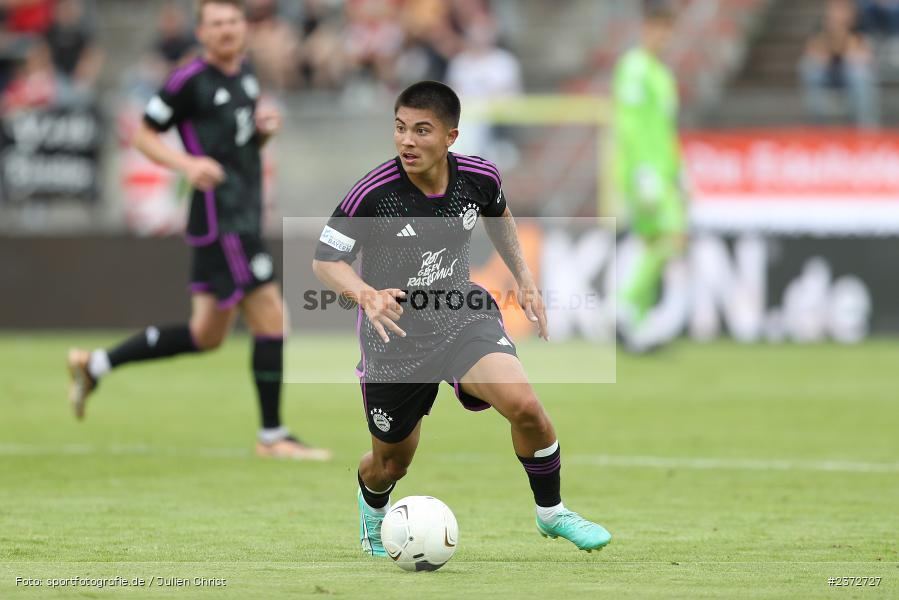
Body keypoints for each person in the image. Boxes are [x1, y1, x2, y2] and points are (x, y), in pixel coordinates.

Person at [312, 80, 612, 556]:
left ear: (451, 137)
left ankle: (552, 513)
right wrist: (366, 295)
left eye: (421, 130)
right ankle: (372, 514)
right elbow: (325, 260)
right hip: (396, 341)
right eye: (400, 128)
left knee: (527, 408)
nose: (407, 141)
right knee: (390, 465)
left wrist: (524, 276)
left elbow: (500, 215)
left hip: (460, 317)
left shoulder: (479, 177)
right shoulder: (374, 195)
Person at [66, 0, 330, 461]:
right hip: (220, 218)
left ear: (243, 28)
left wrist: (262, 133)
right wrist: (187, 164)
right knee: (272, 317)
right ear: (201, 32)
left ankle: (96, 364)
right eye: (216, 24)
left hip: (241, 213)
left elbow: (235, 143)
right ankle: (273, 437)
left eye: (233, 21)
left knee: (207, 335)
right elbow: (145, 135)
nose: (227, 30)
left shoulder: (245, 74)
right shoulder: (188, 81)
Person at [611, 3, 687, 349]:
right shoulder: (635, 68)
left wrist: (679, 174)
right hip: (644, 174)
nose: (663, 36)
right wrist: (643, 173)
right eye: (658, 28)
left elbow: (665, 131)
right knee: (672, 238)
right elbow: (629, 126)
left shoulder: (661, 73)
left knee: (653, 244)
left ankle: (637, 329)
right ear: (646, 29)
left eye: (668, 30)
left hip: (663, 174)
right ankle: (623, 307)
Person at [799, 0, 880, 127]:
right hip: (826, 73)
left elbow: (865, 56)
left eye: (842, 10)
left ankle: (865, 127)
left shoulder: (860, 26)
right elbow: (812, 53)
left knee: (861, 75)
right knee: (809, 69)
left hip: (850, 74)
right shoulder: (820, 27)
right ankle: (815, 126)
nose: (838, 14)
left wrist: (844, 39)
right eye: (835, 10)